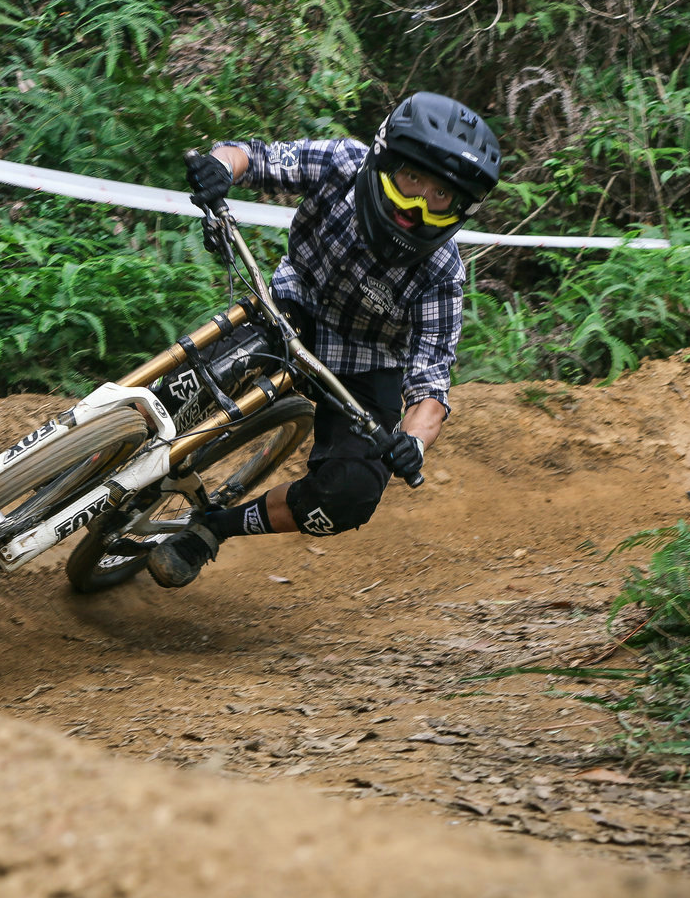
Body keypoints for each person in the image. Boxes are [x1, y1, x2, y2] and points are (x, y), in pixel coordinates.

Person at [147, 92, 501, 588]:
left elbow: (431, 387)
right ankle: (126, 440)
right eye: (412, 179)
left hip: (364, 369)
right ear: (384, 162)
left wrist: (414, 444)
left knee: (350, 495)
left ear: (461, 208)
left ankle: (213, 529)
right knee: (208, 368)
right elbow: (256, 157)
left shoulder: (441, 274)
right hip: (297, 304)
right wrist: (218, 169)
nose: (418, 205)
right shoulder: (342, 165)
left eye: (439, 195)